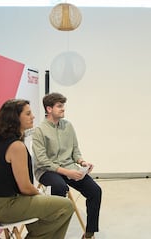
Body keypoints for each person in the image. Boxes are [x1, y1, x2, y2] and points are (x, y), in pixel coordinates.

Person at [0, 99, 74, 239]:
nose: (33, 116)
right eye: (28, 113)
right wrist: (40, 194)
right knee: (66, 206)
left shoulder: (2, 141)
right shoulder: (16, 146)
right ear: (15, 118)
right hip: (4, 207)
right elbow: (25, 188)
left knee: (45, 213)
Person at [32, 93, 102, 239]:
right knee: (59, 187)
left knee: (95, 191)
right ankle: (55, 234)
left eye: (63, 106)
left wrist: (83, 162)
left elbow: (75, 151)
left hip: (69, 167)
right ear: (49, 109)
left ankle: (89, 234)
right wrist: (67, 172)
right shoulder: (40, 130)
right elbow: (43, 161)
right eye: (59, 106)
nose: (63, 109)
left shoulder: (68, 126)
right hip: (47, 171)